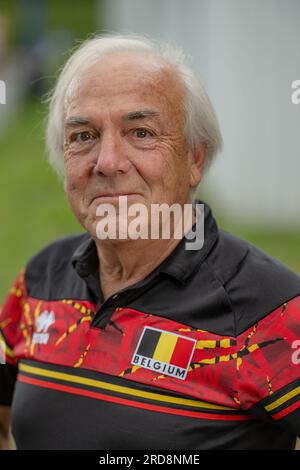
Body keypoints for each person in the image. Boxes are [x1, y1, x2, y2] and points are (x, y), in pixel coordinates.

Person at [0, 34, 299, 450]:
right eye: (83, 136)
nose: (107, 162)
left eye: (140, 132)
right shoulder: (37, 282)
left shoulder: (274, 312)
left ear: (194, 158)